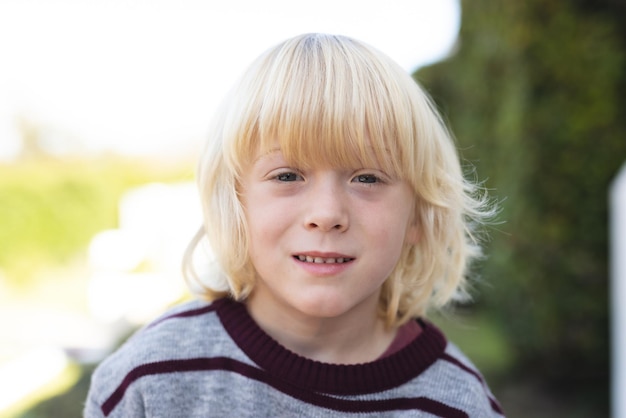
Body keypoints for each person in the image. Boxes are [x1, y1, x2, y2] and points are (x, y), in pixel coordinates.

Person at [85, 33, 504, 417]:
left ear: (417, 214)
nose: (326, 213)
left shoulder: (458, 404)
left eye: (368, 178)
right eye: (287, 176)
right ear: (236, 203)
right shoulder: (149, 379)